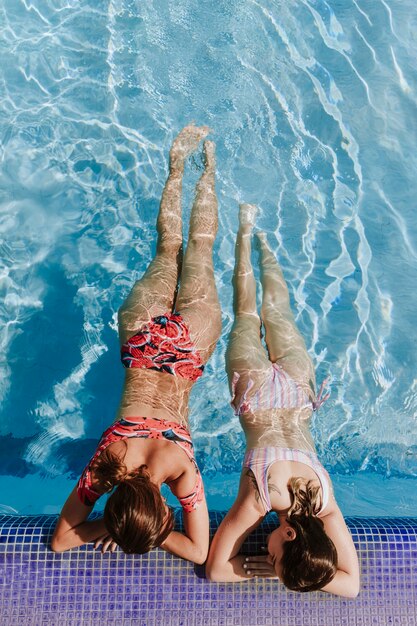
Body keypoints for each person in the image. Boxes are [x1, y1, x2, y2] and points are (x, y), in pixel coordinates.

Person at [51, 124, 221, 564]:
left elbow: (200, 552)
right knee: (169, 249)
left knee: (199, 248)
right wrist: (118, 519)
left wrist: (147, 529)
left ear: (164, 511)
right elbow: (63, 536)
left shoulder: (181, 471)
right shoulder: (109, 460)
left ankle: (210, 169)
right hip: (143, 337)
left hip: (191, 345)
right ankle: (179, 164)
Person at [206, 204, 360, 596]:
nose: (267, 557)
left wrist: (295, 569)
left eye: (269, 562)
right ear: (288, 533)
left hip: (297, 393)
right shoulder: (260, 499)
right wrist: (272, 572)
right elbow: (216, 570)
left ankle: (258, 236)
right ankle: (243, 231)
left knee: (276, 309)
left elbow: (351, 584)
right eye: (275, 556)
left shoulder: (325, 502)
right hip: (255, 394)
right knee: (246, 312)